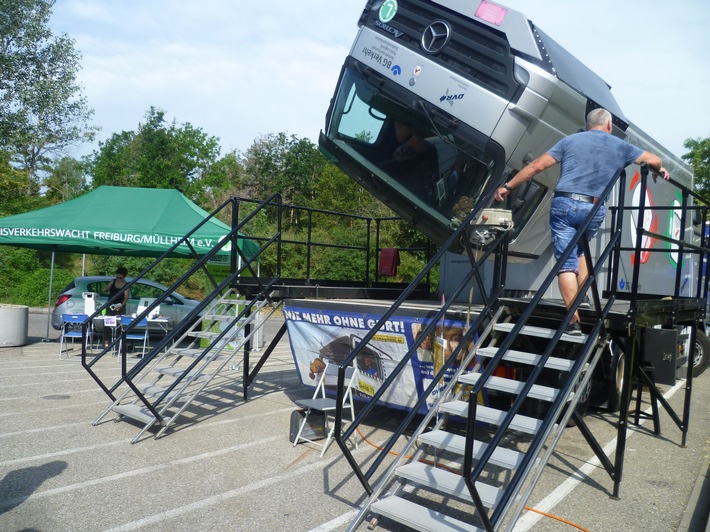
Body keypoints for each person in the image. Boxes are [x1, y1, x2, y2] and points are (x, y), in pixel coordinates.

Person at [493, 108, 670, 335]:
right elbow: (655, 159)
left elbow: (536, 166)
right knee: (582, 250)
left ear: (588, 125)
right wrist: (658, 169)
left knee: (566, 263)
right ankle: (583, 295)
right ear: (608, 125)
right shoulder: (621, 146)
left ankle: (572, 322)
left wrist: (508, 187)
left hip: (564, 204)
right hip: (594, 207)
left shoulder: (569, 141)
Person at [102, 266, 130, 346]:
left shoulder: (126, 285)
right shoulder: (113, 281)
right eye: (117, 277)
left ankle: (118, 341)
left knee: (119, 324)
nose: (118, 279)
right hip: (110, 304)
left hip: (120, 306)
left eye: (120, 278)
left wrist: (121, 305)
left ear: (124, 277)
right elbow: (105, 289)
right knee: (107, 323)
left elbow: (126, 297)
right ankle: (106, 341)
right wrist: (106, 288)